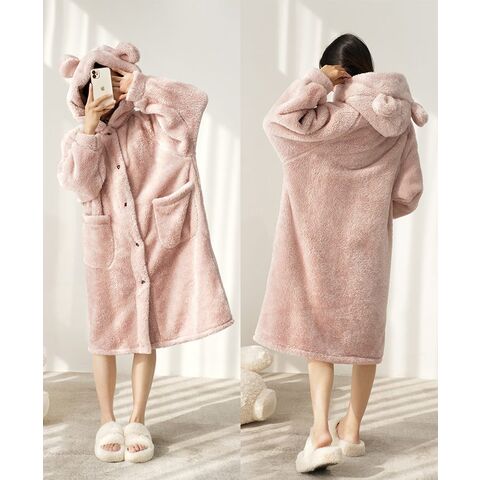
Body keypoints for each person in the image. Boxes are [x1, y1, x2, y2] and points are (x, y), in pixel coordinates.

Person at [253, 33, 427, 473]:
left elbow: (274, 122)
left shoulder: (321, 121)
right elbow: (408, 194)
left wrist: (316, 82)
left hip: (316, 249)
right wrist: (368, 210)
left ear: (335, 74)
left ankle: (320, 432)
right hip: (368, 251)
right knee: (364, 344)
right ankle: (351, 430)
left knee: (321, 342)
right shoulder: (400, 124)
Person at [58, 43, 233, 463]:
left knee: (144, 335)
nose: (104, 90)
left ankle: (137, 419)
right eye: (93, 84)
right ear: (80, 92)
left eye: (112, 79)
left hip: (154, 241)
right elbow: (81, 186)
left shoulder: (153, 125)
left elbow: (194, 102)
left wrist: (142, 87)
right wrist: (90, 129)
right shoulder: (78, 138)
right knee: (104, 337)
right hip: (108, 248)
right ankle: (107, 420)